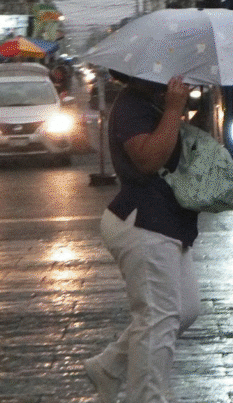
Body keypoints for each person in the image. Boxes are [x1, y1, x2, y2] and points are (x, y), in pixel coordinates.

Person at [83, 71, 200, 403]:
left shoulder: (153, 101)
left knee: (185, 309)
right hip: (143, 223)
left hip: (168, 221)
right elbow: (148, 159)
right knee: (157, 319)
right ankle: (147, 397)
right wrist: (175, 108)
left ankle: (109, 366)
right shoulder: (132, 105)